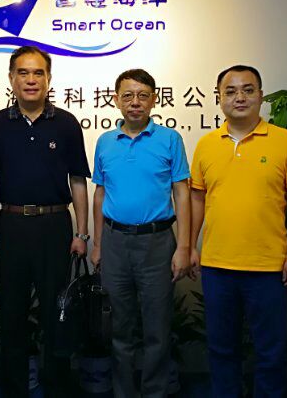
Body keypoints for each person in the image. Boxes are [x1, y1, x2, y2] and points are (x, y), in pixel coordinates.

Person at [189, 65, 287, 397]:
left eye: (247, 89)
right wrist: (189, 247)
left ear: (261, 95)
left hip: (268, 267)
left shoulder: (286, 142)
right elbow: (197, 199)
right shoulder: (206, 145)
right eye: (230, 91)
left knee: (270, 352)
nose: (239, 97)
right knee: (221, 349)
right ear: (219, 98)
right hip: (217, 267)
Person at [0, 45, 91, 397]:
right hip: (11, 226)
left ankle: (57, 386)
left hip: (55, 227)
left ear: (48, 79)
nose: (31, 80)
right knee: (12, 313)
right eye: (23, 73)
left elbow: (77, 180)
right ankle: (14, 389)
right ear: (11, 78)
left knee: (57, 313)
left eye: (38, 72)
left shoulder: (66, 123)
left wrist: (82, 233)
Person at [90, 69, 193, 398]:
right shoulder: (105, 142)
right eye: (128, 95)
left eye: (142, 95)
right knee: (119, 328)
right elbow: (99, 194)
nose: (135, 102)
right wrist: (97, 244)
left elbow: (182, 193)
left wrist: (184, 247)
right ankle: (123, 392)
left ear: (154, 99)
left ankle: (154, 393)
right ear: (116, 100)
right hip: (115, 242)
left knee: (157, 329)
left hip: (157, 243)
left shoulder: (169, 140)